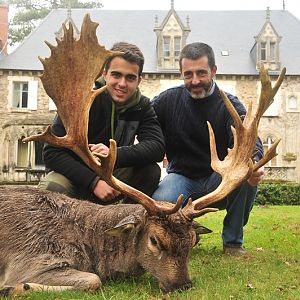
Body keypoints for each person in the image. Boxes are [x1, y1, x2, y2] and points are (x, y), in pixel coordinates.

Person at [151, 42, 265, 255]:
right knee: (160, 204)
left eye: (201, 73)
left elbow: (250, 136)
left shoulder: (229, 104)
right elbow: (144, 120)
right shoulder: (167, 100)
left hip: (219, 179)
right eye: (188, 74)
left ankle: (232, 243)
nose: (195, 81)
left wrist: (255, 162)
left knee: (246, 176)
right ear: (181, 73)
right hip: (181, 177)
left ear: (214, 70)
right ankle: (186, 231)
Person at [39, 42, 165, 204]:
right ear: (104, 74)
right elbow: (52, 153)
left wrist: (114, 154)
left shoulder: (142, 106)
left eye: (130, 78)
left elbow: (156, 147)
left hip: (112, 177)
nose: (122, 84)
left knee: (150, 171)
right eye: (116, 75)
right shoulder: (79, 101)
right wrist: (93, 182)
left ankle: (123, 224)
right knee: (52, 188)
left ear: (139, 81)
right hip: (74, 177)